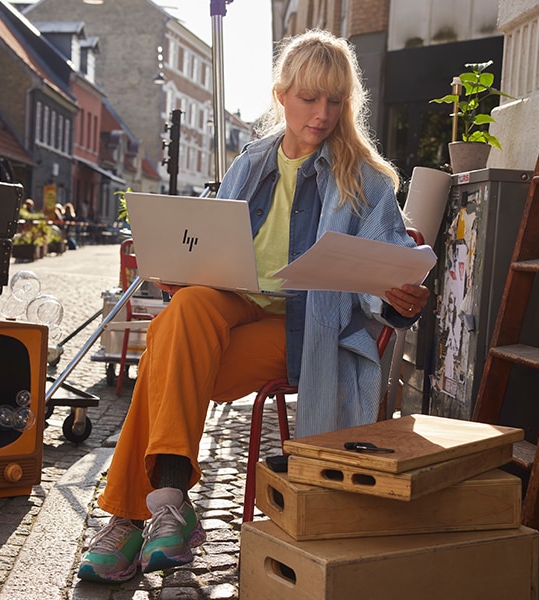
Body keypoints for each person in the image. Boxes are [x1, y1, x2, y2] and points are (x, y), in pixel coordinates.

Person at [77, 29, 430, 584]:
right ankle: (168, 504)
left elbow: (385, 266)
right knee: (185, 309)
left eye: (335, 101)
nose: (322, 113)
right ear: (281, 95)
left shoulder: (366, 180)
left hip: (305, 325)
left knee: (168, 357)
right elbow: (212, 245)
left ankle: (130, 515)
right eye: (310, 98)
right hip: (231, 302)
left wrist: (398, 294)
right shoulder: (251, 162)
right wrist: (180, 268)